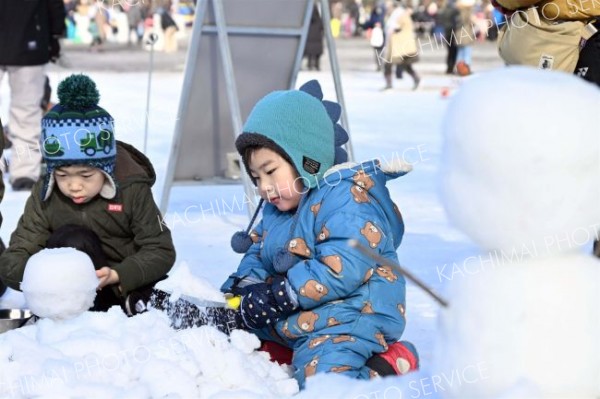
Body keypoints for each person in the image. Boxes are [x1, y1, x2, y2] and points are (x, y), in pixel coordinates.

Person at [221, 80, 419, 387]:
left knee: (322, 382)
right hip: (304, 314)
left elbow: (343, 265)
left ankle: (388, 363)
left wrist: (280, 295)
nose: (263, 187)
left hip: (352, 316)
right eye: (255, 177)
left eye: (271, 171)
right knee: (238, 332)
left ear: (307, 159)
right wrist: (247, 287)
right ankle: (282, 348)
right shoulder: (277, 208)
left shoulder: (346, 199)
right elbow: (258, 252)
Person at [0, 74, 176, 314]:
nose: (74, 186)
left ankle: (136, 303)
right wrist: (40, 279)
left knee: (150, 295)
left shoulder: (132, 189)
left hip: (123, 283)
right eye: (62, 175)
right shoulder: (45, 193)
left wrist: (119, 275)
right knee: (72, 238)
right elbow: (16, 254)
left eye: (85, 176)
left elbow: (160, 249)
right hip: (69, 293)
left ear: (105, 168)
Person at [0, 0, 65, 191]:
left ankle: (25, 172)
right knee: (27, 112)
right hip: (30, 36)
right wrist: (55, 34)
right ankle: (24, 172)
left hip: (29, 39)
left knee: (27, 110)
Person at [383, 0, 420, 90]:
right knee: (392, 64)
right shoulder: (394, 15)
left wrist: (395, 29)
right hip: (396, 44)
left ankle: (416, 79)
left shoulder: (400, 14)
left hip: (401, 45)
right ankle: (389, 84)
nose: (387, 5)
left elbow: (403, 28)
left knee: (404, 64)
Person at [304, 5, 325, 71]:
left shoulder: (307, 21)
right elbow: (322, 28)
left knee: (310, 53)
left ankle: (309, 64)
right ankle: (317, 65)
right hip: (317, 40)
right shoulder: (319, 20)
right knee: (317, 54)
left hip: (309, 41)